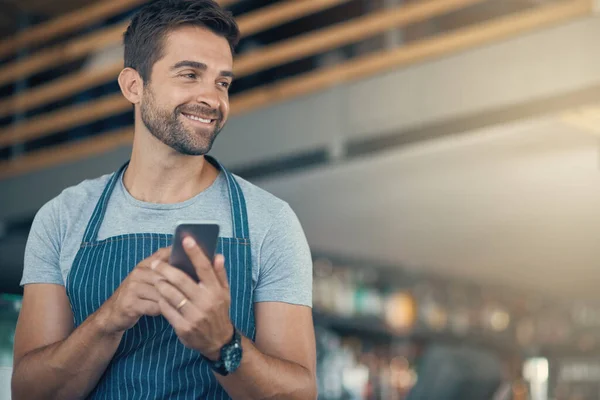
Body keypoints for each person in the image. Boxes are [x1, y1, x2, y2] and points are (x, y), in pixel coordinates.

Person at [11, 0, 316, 398]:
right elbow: (30, 393)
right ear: (133, 85)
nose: (212, 99)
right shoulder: (63, 217)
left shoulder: (270, 221)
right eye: (190, 75)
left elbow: (300, 393)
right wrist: (109, 319)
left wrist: (221, 344)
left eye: (222, 82)